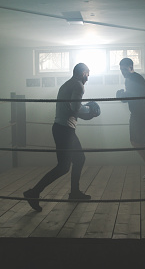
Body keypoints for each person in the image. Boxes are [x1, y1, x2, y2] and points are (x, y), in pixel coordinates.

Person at [23, 63, 100, 212]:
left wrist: (85, 109)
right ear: (83, 73)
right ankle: (34, 192)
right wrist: (90, 109)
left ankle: (74, 193)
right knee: (63, 167)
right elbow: (75, 108)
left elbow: (71, 108)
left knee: (79, 159)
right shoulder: (78, 85)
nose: (88, 79)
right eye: (88, 75)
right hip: (65, 130)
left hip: (63, 128)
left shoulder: (66, 84)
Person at [116, 57, 145, 187]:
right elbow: (130, 98)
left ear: (131, 67)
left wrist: (126, 94)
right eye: (121, 70)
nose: (122, 72)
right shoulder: (128, 79)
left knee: (138, 143)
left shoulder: (136, 78)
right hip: (136, 114)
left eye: (124, 69)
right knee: (138, 143)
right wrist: (122, 96)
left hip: (141, 114)